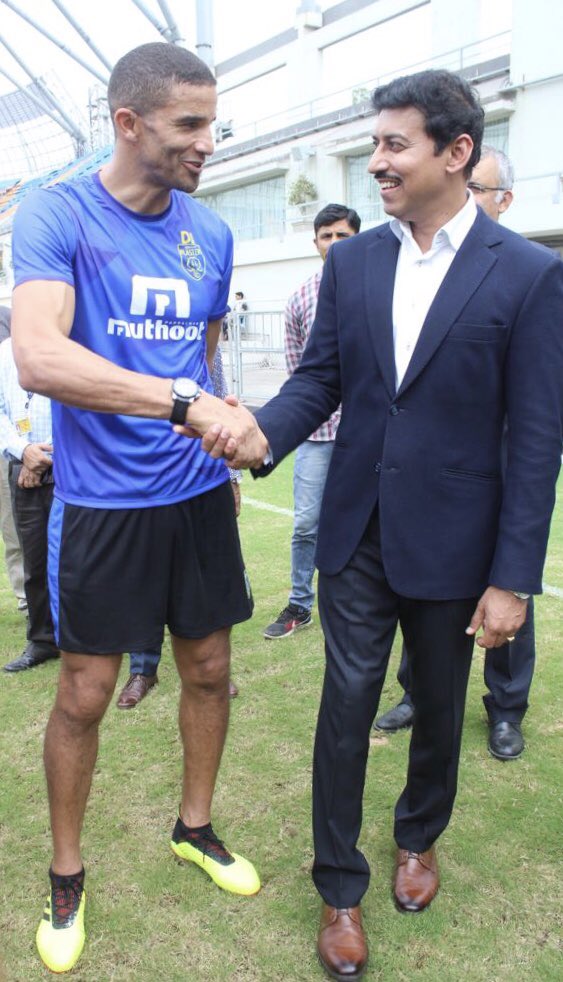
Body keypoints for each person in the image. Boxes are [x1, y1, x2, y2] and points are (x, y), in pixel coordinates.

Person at [189, 70, 563, 981]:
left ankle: (417, 839)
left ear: (456, 152)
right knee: (345, 706)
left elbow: (535, 437)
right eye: (376, 145)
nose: (378, 164)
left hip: (455, 543)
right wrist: (258, 433)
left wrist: (512, 577)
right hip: (356, 529)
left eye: (395, 145)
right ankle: (340, 888)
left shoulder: (527, 274)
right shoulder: (352, 263)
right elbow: (322, 380)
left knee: (435, 710)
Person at [11, 42, 261, 975]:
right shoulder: (57, 212)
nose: (209, 142)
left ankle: (194, 827)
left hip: (195, 495)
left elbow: (203, 359)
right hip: (103, 501)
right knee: (83, 692)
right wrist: (185, 405)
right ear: (128, 123)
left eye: (212, 122)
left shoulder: (211, 230)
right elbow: (40, 357)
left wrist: (219, 428)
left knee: (209, 668)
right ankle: (67, 873)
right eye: (189, 124)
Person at [375, 146, 537, 763]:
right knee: (425, 588)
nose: (468, 197)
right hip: (436, 482)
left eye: (482, 188)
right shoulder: (421, 262)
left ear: (503, 200)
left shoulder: (523, 272)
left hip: (497, 476)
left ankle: (505, 707)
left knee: (507, 590)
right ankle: (420, 692)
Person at [116, 346, 242, 708]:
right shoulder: (132, 344)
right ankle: (143, 670)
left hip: (200, 478)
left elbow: (221, 404)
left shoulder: (203, 341)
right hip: (142, 480)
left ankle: (212, 671)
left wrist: (232, 477)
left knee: (203, 580)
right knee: (145, 577)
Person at [264, 204, 361, 640]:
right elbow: (299, 374)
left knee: (373, 521)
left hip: (367, 434)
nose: (335, 244)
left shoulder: (379, 289)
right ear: (316, 242)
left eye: (344, 235)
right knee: (306, 523)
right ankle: (300, 605)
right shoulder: (301, 298)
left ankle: (368, 606)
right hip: (318, 435)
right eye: (327, 236)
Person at [0, 335, 60, 672]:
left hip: (68, 462)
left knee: (80, 556)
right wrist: (24, 452)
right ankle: (42, 640)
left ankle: (89, 637)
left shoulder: (66, 343)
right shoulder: (4, 353)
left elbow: (79, 407)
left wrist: (43, 455)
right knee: (34, 559)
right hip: (20, 463)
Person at [0, 306, 26, 613]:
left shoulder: (8, 316)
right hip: (10, 437)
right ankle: (25, 598)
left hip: (23, 439)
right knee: (12, 525)